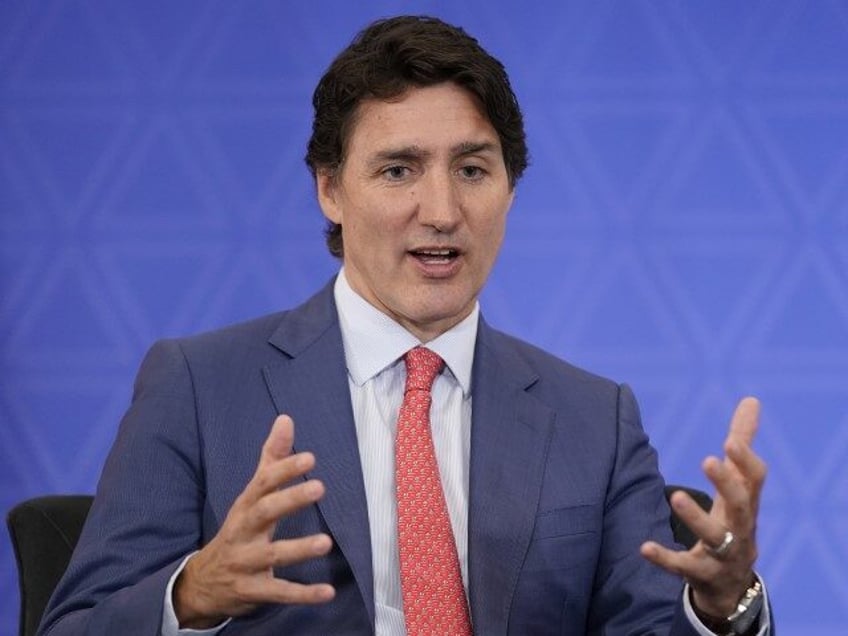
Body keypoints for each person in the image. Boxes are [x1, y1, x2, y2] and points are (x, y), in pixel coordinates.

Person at [39, 15, 771, 636]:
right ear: (330, 189)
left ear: (511, 191)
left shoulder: (595, 420)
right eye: (399, 170)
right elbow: (77, 622)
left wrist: (721, 605)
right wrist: (191, 593)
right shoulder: (200, 387)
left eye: (473, 171)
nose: (443, 211)